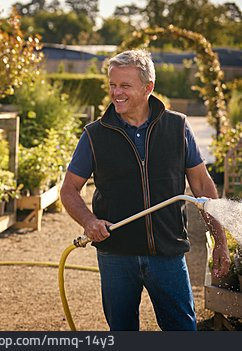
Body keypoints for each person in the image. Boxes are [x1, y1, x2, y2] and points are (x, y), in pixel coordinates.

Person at [60, 49, 230, 331]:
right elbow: (69, 190)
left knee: (183, 332)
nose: (116, 93)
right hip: (116, 256)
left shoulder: (177, 127)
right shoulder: (94, 134)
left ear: (148, 87)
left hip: (168, 254)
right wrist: (89, 221)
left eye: (125, 86)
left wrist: (220, 240)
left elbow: (202, 185)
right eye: (112, 85)